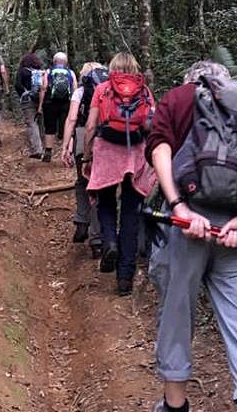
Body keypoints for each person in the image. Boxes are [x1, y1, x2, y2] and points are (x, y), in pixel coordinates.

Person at [145, 60, 237, 412]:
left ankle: (175, 406)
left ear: (193, 81)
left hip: (185, 225)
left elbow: (159, 148)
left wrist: (178, 206)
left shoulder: (178, 99)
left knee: (177, 315)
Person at [82, 52, 156, 296]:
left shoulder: (102, 88)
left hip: (106, 152)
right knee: (131, 214)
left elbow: (91, 125)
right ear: (134, 67)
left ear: (112, 67)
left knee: (104, 202)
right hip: (135, 154)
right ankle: (125, 279)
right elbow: (150, 125)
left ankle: (109, 242)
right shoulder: (144, 91)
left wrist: (87, 155)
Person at [61, 60, 107, 254]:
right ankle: (97, 238)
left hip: (83, 136)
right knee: (100, 187)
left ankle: (82, 222)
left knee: (82, 181)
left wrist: (65, 146)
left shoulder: (81, 91)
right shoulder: (110, 88)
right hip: (108, 139)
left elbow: (72, 119)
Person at [39, 51, 77, 163]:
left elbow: (44, 87)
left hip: (50, 103)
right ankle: (69, 153)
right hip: (66, 104)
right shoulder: (70, 72)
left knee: (49, 127)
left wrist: (40, 105)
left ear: (54, 61)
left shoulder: (48, 72)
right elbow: (75, 88)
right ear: (66, 62)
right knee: (67, 127)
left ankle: (48, 152)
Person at [14, 52, 46, 159]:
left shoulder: (22, 71)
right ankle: (46, 148)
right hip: (41, 99)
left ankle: (37, 149)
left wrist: (22, 94)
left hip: (28, 100)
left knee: (32, 123)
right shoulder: (42, 72)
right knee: (41, 123)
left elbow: (17, 84)